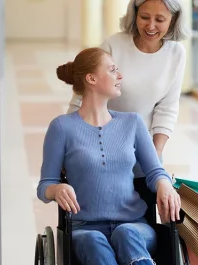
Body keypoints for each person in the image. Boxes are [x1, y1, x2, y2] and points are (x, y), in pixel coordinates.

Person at [38, 48, 183, 265]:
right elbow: (44, 185)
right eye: (113, 69)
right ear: (92, 79)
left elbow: (154, 170)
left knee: (125, 232)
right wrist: (56, 189)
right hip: (84, 229)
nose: (120, 75)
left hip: (134, 226)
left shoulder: (132, 123)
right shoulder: (61, 127)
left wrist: (163, 184)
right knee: (94, 239)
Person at [67, 0, 190, 190]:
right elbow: (82, 94)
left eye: (159, 19)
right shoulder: (114, 45)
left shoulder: (176, 53)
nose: (150, 26)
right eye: (144, 17)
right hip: (100, 145)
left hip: (143, 147)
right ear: (134, 14)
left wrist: (154, 156)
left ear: (172, 20)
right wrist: (67, 142)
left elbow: (167, 107)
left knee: (143, 210)